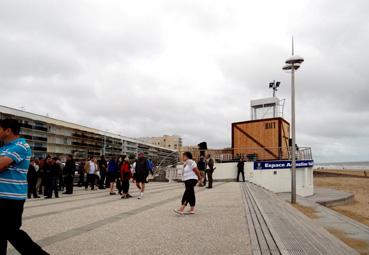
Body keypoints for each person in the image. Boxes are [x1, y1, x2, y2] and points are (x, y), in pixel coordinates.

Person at [0, 118, 49, 254]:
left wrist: (4, 163)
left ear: (8, 130)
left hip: (11, 197)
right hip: (2, 195)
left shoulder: (21, 146)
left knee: (13, 233)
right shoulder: (4, 148)